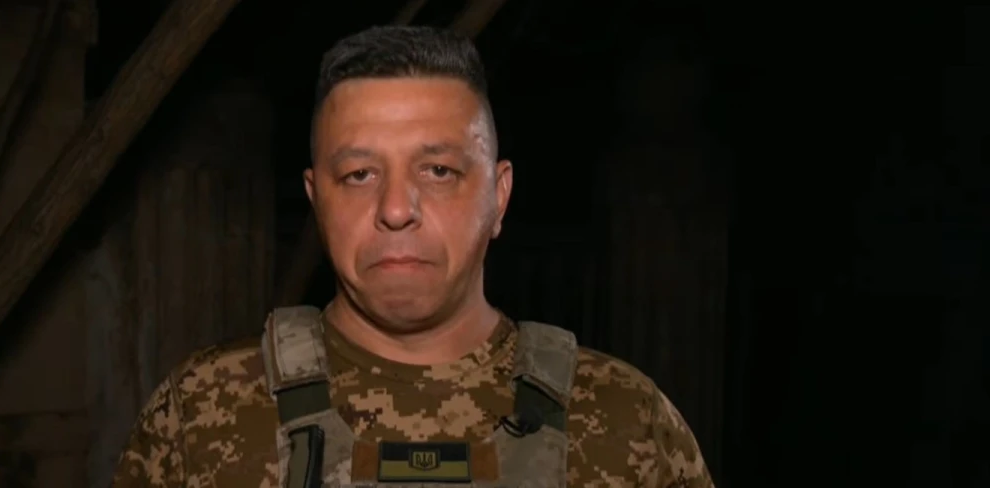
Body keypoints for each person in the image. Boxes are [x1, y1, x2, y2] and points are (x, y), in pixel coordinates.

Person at [111, 25, 714, 488]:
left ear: (499, 196)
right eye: (359, 174)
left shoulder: (627, 422)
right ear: (317, 201)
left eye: (439, 170)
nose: (397, 208)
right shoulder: (200, 414)